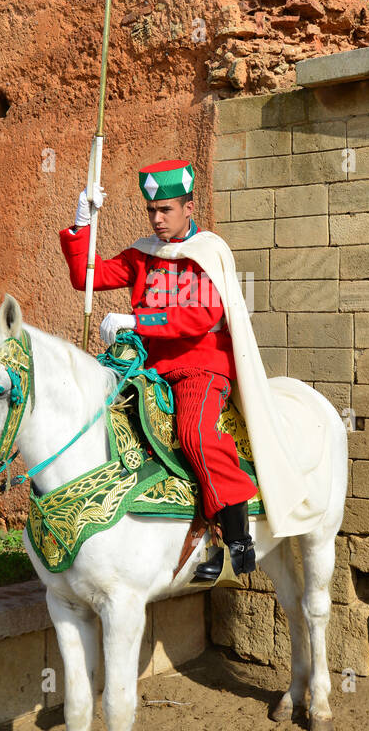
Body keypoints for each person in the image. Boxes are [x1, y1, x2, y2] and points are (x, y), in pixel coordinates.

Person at [60, 158, 258, 582]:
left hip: (199, 367)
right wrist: (81, 223)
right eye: (152, 210)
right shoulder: (141, 255)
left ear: (189, 207)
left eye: (166, 209)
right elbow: (85, 276)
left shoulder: (207, 253)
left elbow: (201, 316)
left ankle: (237, 537)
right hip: (147, 368)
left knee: (193, 433)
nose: (157, 219)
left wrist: (138, 321)